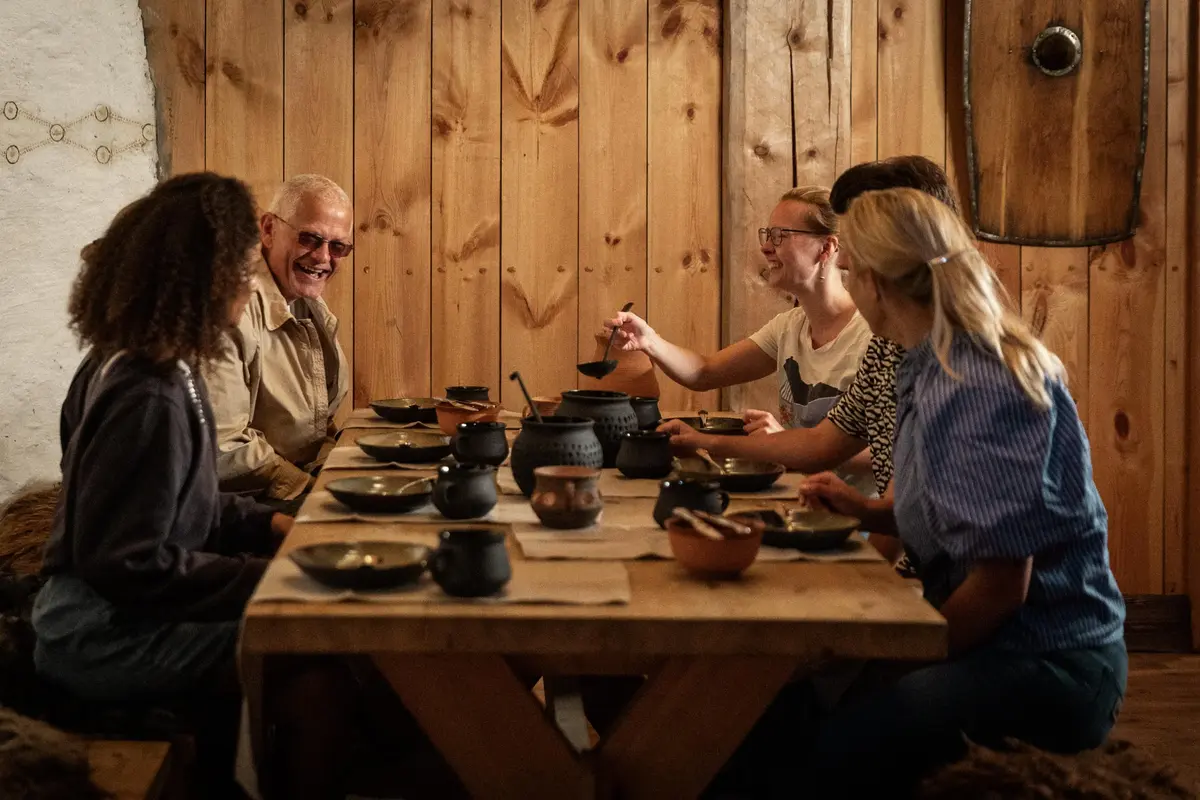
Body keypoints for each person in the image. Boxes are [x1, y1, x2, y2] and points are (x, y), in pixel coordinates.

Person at [803, 187, 1126, 794]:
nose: (846, 287)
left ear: (876, 282)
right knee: (808, 698)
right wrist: (866, 511)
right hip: (1002, 642)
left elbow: (1005, 583)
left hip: (1049, 659)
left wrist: (898, 656)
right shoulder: (926, 362)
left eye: (848, 272)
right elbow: (961, 521)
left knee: (838, 748)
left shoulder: (978, 383)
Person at [30, 173, 293, 795]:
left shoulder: (164, 368)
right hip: (95, 635)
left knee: (295, 632)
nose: (250, 281)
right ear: (207, 277)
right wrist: (274, 581)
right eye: (244, 266)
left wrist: (275, 522)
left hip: (111, 615)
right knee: (299, 651)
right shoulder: (148, 393)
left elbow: (186, 503)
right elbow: (131, 565)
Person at [605, 187, 875, 494]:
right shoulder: (788, 327)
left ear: (826, 248)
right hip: (801, 501)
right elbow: (704, 372)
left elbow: (889, 451)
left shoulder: (873, 337)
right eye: (766, 235)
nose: (765, 247)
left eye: (779, 236)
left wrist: (782, 442)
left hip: (860, 520)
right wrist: (649, 341)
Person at [207, 173, 352, 512]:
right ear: (269, 229)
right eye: (310, 239)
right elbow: (222, 447)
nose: (322, 258)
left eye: (338, 247)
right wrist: (309, 489)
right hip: (242, 507)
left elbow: (317, 427)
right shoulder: (232, 308)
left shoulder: (306, 301)